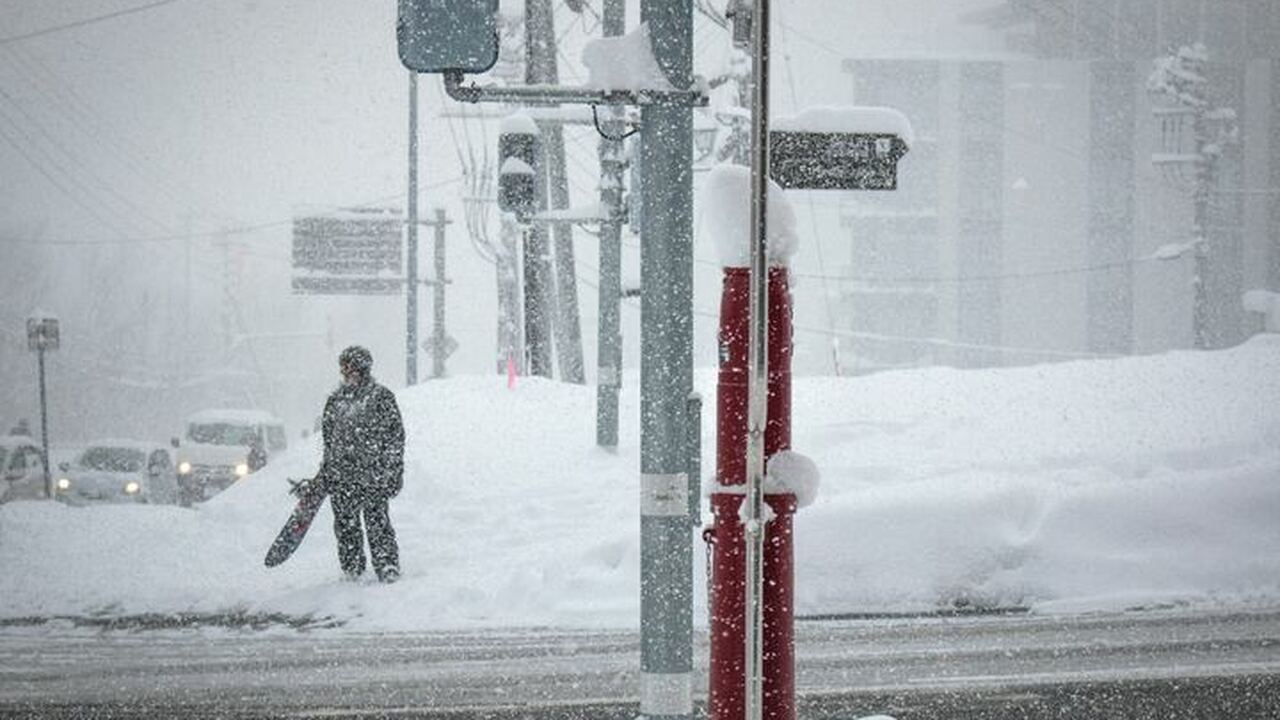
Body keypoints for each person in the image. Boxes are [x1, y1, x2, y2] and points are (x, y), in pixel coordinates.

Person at [319, 345, 405, 583]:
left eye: (350, 367)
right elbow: (329, 440)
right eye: (343, 368)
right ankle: (352, 568)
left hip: (372, 476)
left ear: (363, 369)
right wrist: (327, 469)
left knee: (378, 524)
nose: (346, 373)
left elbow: (395, 437)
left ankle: (387, 565)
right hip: (342, 477)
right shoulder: (335, 401)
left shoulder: (381, 397)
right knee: (346, 526)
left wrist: (393, 471)